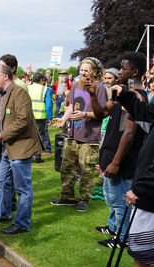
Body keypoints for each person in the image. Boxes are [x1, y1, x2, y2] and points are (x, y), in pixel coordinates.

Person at [0, 64, 42, 234]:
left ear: (5, 76)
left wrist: (2, 135)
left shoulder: (19, 93)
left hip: (20, 149)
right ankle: (3, 214)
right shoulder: (0, 95)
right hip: (5, 150)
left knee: (23, 188)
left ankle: (22, 224)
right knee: (1, 182)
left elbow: (23, 120)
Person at [88, 52, 147, 248]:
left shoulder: (137, 97)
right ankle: (114, 229)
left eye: (123, 68)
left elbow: (129, 133)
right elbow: (101, 113)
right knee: (111, 198)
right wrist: (91, 95)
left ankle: (123, 240)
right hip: (110, 153)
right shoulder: (119, 92)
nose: (119, 71)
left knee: (121, 202)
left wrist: (116, 162)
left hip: (123, 160)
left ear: (135, 72)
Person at [107, 54, 154, 267]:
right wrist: (124, 94)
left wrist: (141, 188)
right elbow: (145, 114)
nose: (150, 76)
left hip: (148, 196)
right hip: (146, 191)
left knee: (142, 258)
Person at [50, 57, 107, 212]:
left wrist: (85, 115)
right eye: (81, 70)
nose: (82, 73)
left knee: (87, 171)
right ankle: (67, 196)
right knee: (67, 167)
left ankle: (84, 199)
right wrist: (64, 119)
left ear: (94, 71)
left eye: (86, 70)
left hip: (90, 137)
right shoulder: (75, 85)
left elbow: (102, 113)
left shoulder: (100, 88)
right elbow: (71, 107)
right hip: (73, 135)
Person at [28, 72, 53, 162]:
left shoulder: (28, 88)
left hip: (29, 116)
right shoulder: (45, 89)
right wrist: (50, 117)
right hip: (40, 117)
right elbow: (48, 104)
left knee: (30, 136)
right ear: (41, 80)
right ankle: (37, 156)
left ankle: (29, 156)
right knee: (40, 137)